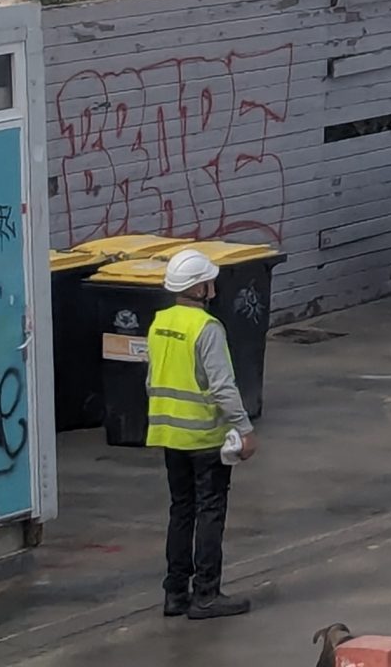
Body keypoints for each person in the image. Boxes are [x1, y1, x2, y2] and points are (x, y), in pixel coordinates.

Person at [147, 248, 255, 619]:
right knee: (210, 512)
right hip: (205, 438)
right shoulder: (206, 328)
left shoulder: (159, 323)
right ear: (199, 288)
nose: (213, 286)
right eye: (209, 281)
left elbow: (151, 379)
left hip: (169, 434)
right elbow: (223, 387)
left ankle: (175, 592)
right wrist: (243, 429)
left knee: (181, 511)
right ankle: (206, 593)